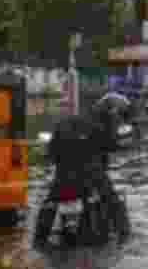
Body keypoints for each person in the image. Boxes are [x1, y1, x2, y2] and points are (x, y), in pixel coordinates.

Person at [46, 99, 129, 238]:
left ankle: (40, 239)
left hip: (62, 177)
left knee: (49, 204)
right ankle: (124, 233)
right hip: (91, 175)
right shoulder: (99, 126)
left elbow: (51, 153)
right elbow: (112, 145)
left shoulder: (62, 123)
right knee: (113, 201)